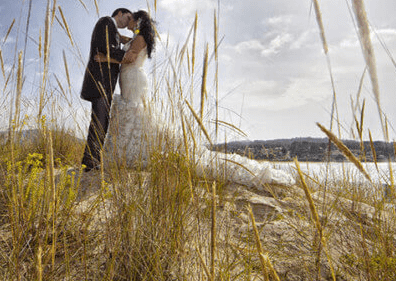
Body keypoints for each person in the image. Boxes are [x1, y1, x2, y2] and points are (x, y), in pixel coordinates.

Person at [94, 10, 294, 188]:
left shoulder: (139, 39)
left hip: (134, 78)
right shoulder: (137, 36)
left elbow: (129, 58)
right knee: (134, 113)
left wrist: (106, 58)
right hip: (130, 78)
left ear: (137, 21)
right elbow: (124, 40)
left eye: (130, 20)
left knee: (134, 112)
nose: (127, 24)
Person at [80, 8, 133, 171]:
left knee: (102, 120)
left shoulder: (113, 31)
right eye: (128, 17)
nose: (128, 22)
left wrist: (131, 40)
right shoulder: (106, 22)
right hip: (100, 81)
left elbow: (113, 42)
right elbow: (105, 46)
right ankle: (90, 162)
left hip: (106, 83)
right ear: (120, 14)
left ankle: (93, 159)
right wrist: (126, 56)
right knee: (100, 120)